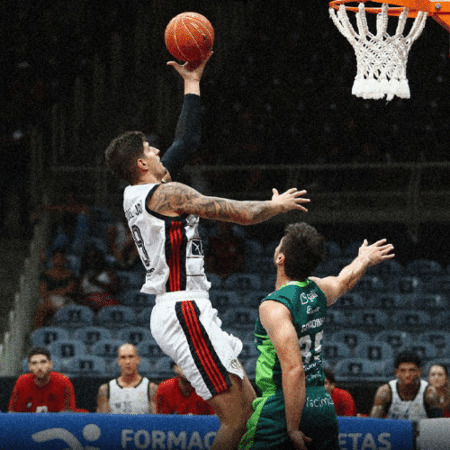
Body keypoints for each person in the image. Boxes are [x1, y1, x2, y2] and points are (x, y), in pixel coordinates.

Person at [104, 53, 310, 450]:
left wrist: (192, 82)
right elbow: (241, 214)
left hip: (188, 307)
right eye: (152, 148)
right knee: (234, 421)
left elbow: (188, 141)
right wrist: (277, 206)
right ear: (142, 162)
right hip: (183, 309)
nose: (161, 151)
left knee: (251, 414)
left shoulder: (140, 192)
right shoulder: (169, 194)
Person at [239, 222, 395, 450]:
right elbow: (345, 280)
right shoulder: (317, 289)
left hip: (282, 406)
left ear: (280, 259)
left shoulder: (274, 306)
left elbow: (294, 369)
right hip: (321, 405)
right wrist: (363, 259)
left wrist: (292, 427)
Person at [370, 350, 444, 421]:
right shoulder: (385, 392)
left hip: (420, 433)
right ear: (396, 372)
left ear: (419, 371)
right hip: (393, 433)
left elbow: (439, 426)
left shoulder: (429, 393)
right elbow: (372, 424)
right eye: (403, 371)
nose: (407, 375)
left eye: (411, 370)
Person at [8, 347, 77, 412]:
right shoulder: (22, 382)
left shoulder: (63, 381)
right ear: (29, 367)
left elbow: (68, 415)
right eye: (34, 363)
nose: (39, 367)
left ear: (50, 364)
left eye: (43, 362)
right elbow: (13, 413)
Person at [96, 343, 157, 414]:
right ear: (118, 361)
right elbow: (102, 421)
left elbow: (156, 421)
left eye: (131, 357)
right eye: (123, 357)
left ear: (138, 359)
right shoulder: (105, 389)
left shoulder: (151, 388)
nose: (127, 361)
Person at [32, 249, 78, 329]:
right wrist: (49, 301)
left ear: (64, 260)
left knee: (70, 310)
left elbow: (68, 290)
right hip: (49, 299)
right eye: (56, 258)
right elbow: (42, 291)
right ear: (53, 260)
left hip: (65, 299)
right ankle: (37, 333)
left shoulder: (70, 274)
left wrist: (51, 292)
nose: (59, 260)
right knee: (41, 309)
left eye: (61, 258)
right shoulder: (45, 274)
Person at [78, 247, 120, 312]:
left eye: (94, 257)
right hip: (88, 301)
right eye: (89, 258)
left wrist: (97, 282)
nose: (92, 260)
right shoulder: (83, 275)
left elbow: (115, 289)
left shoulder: (109, 272)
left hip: (106, 299)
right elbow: (79, 293)